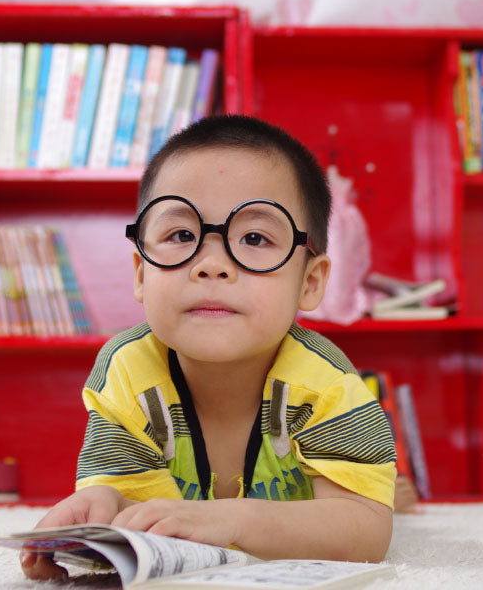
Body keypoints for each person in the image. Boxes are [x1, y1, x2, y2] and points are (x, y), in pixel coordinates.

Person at [23, 115, 396, 580]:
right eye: (182, 236)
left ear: (311, 281)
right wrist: (109, 506)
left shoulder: (327, 383)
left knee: (385, 495)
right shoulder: (126, 372)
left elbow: (367, 530)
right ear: (141, 273)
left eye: (255, 238)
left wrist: (233, 518)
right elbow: (145, 511)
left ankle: (394, 484)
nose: (213, 265)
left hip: (316, 496)